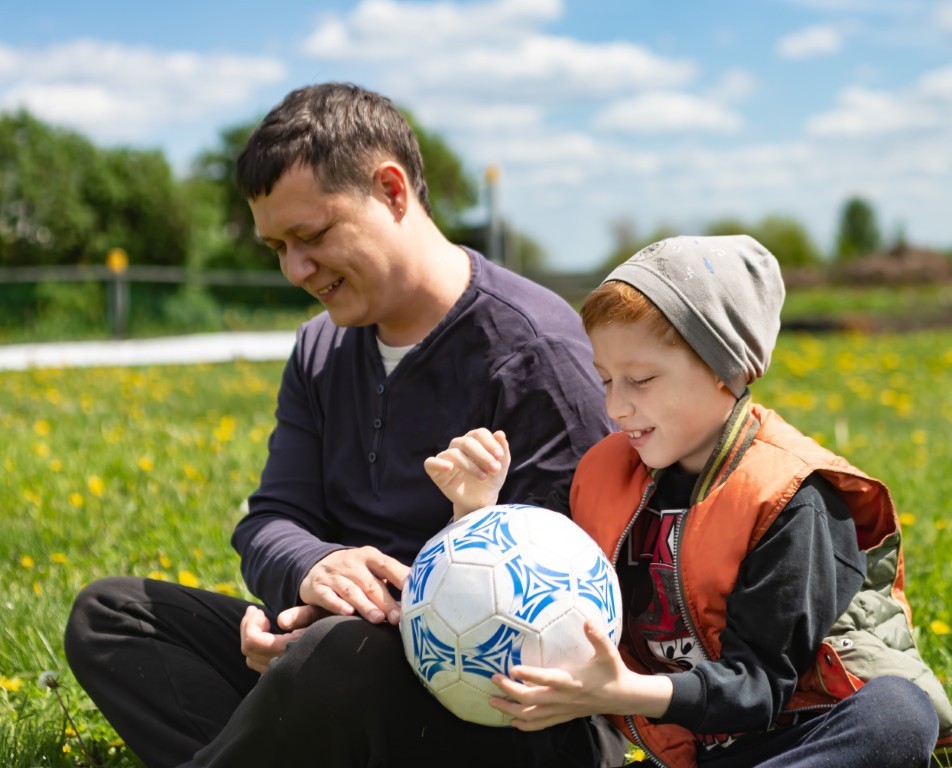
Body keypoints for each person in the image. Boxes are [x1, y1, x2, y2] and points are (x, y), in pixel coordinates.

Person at [63, 82, 614, 768]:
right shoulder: (320, 349)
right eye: (276, 248)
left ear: (391, 191)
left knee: (336, 655)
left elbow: (571, 601)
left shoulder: (536, 354)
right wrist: (309, 573)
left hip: (507, 715)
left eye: (313, 236)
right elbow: (270, 520)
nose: (296, 268)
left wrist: (370, 620)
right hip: (336, 667)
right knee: (111, 615)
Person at [425, 235, 952, 768]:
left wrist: (624, 692)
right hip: (678, 745)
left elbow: (759, 686)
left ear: (726, 370)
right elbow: (525, 582)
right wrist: (475, 510)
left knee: (898, 714)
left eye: (640, 379)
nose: (615, 406)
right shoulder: (601, 472)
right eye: (606, 379)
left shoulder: (793, 499)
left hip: (790, 736)